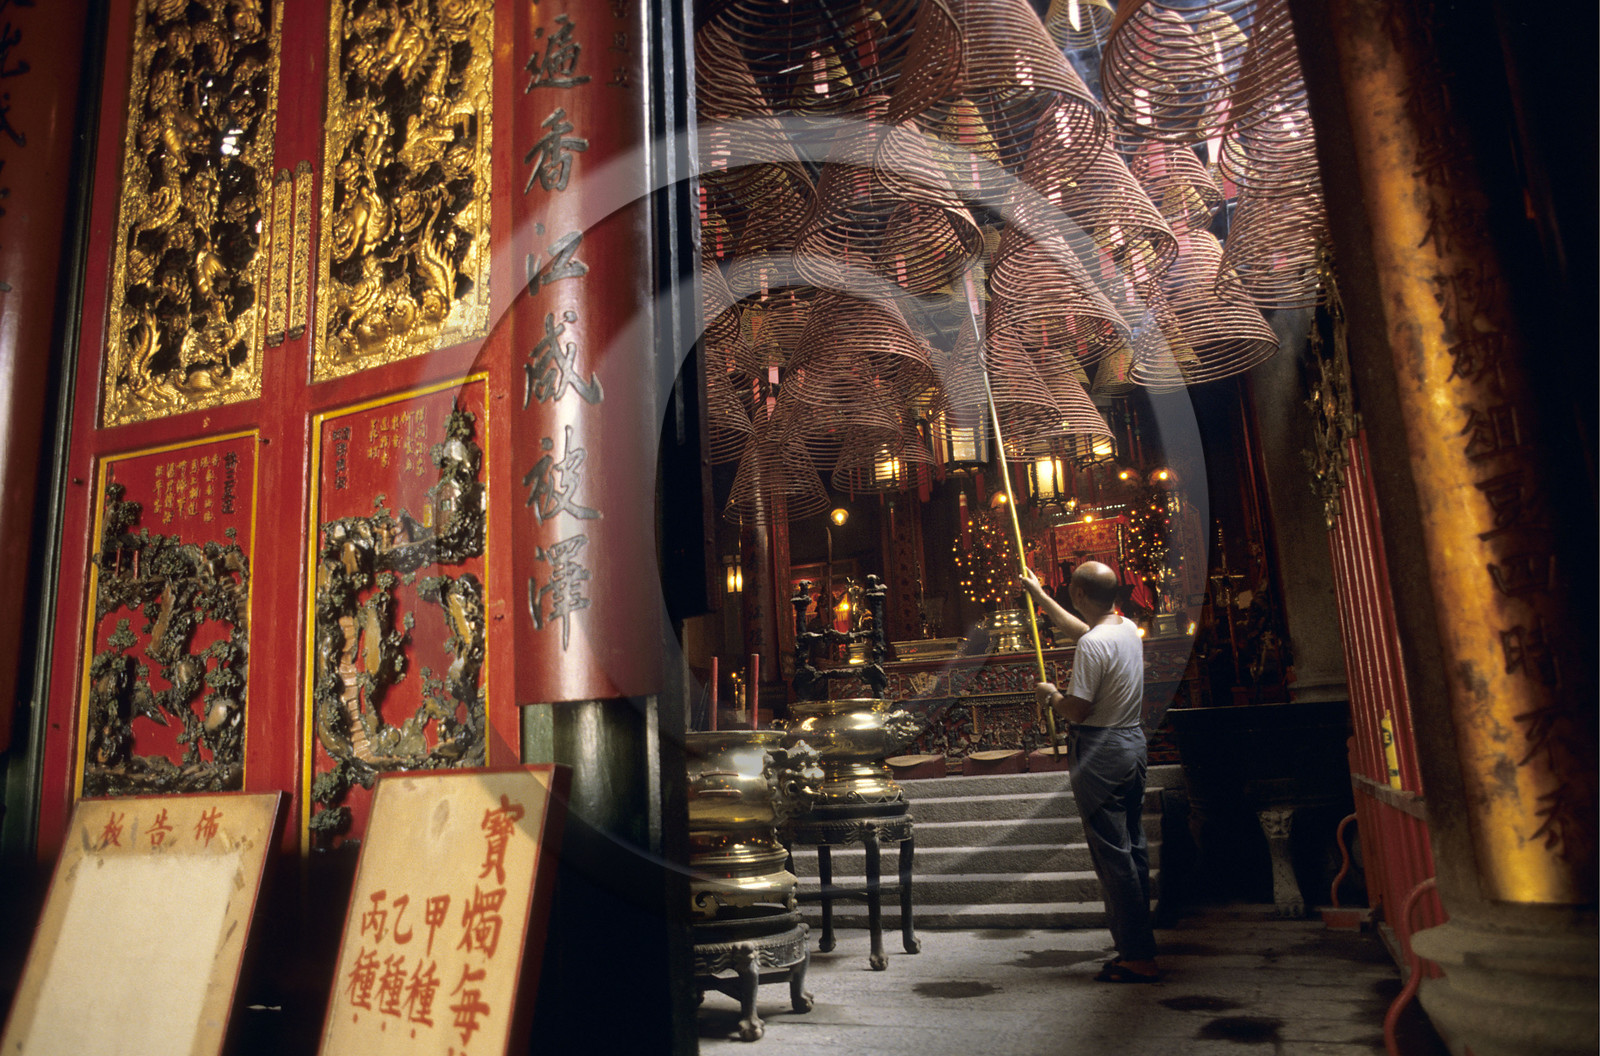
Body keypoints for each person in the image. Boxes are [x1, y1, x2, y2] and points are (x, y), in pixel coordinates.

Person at [1018, 561, 1160, 983]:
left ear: (1079, 594)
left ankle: (1137, 956)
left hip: (1101, 750)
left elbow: (1077, 709)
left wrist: (1051, 696)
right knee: (1131, 848)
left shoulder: (1093, 645)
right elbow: (1085, 632)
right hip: (1131, 744)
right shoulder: (1126, 628)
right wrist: (1041, 598)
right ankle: (1138, 947)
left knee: (1112, 856)